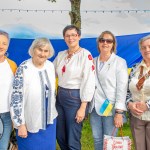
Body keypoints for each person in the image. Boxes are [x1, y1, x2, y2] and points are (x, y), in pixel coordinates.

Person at [10, 38, 58, 150]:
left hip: (49, 121)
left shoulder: (50, 66)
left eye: (46, 51)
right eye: (40, 49)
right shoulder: (24, 68)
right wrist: (20, 124)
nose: (42, 54)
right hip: (30, 123)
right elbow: (16, 97)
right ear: (33, 50)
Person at [53, 25, 95, 150]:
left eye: (73, 35)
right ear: (64, 38)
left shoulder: (85, 55)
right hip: (60, 96)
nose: (70, 38)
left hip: (75, 98)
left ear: (79, 36)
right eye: (67, 35)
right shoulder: (61, 55)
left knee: (73, 136)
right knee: (60, 135)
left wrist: (83, 107)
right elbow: (50, 72)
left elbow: (89, 81)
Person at [89, 31, 128, 150]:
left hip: (110, 107)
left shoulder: (120, 62)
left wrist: (119, 112)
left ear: (113, 44)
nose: (105, 43)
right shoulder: (92, 61)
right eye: (102, 40)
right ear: (98, 43)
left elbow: (122, 88)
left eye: (109, 41)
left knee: (109, 140)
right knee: (97, 139)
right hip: (94, 107)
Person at [126, 35, 150, 150]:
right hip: (136, 117)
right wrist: (130, 104)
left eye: (149, 46)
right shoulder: (135, 68)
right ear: (140, 50)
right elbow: (127, 91)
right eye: (143, 47)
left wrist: (148, 105)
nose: (147, 50)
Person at [0, 30, 17, 150]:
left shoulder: (12, 65)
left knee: (3, 146)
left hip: (7, 114)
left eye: (4, 43)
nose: (1, 46)